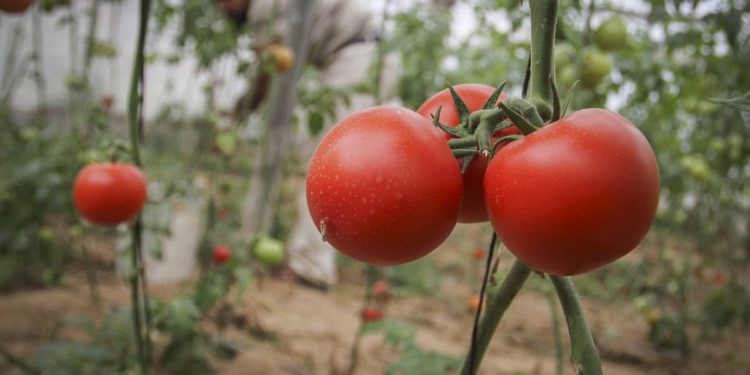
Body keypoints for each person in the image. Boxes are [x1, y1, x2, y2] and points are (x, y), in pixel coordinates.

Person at [213, 0, 398, 287]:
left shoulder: (264, 7)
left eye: (221, 1)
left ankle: (312, 266)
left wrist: (240, 112)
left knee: (329, 163)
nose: (222, 8)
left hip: (357, 58)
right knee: (356, 163)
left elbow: (270, 68)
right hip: (372, 52)